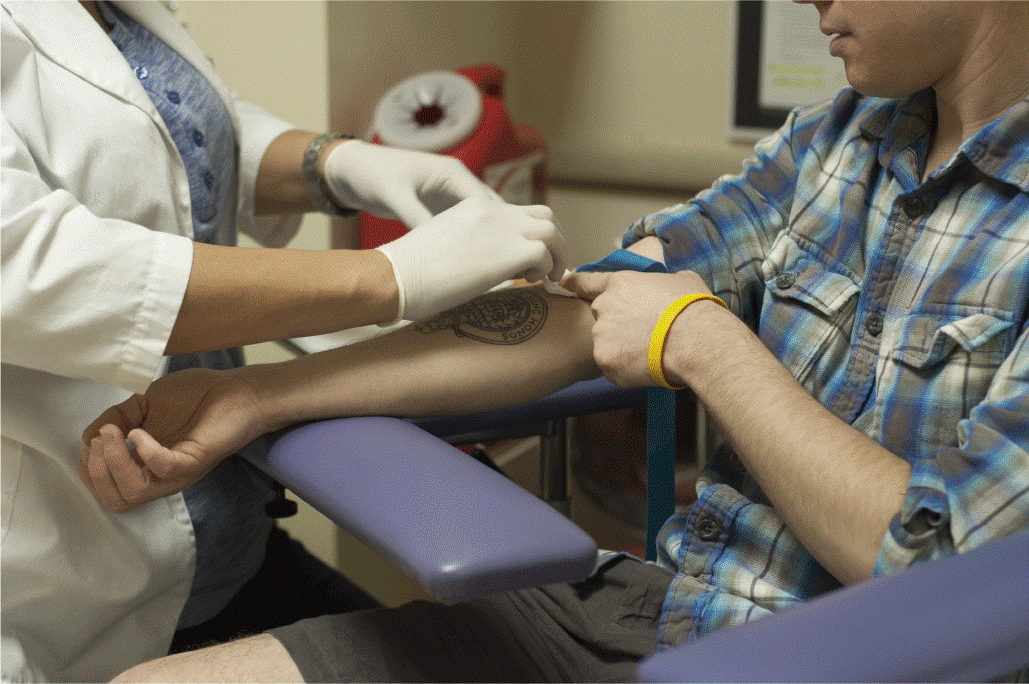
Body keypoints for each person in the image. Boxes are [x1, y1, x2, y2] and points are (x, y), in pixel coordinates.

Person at [85, 1, 1028, 682]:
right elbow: (590, 312)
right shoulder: (841, 140)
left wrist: (705, 343)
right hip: (662, 614)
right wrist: (262, 397)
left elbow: (939, 568)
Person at [1, 1, 567, 681]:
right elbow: (35, 265)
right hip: (52, 590)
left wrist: (335, 164)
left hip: (225, 539)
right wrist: (385, 276)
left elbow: (165, 121)